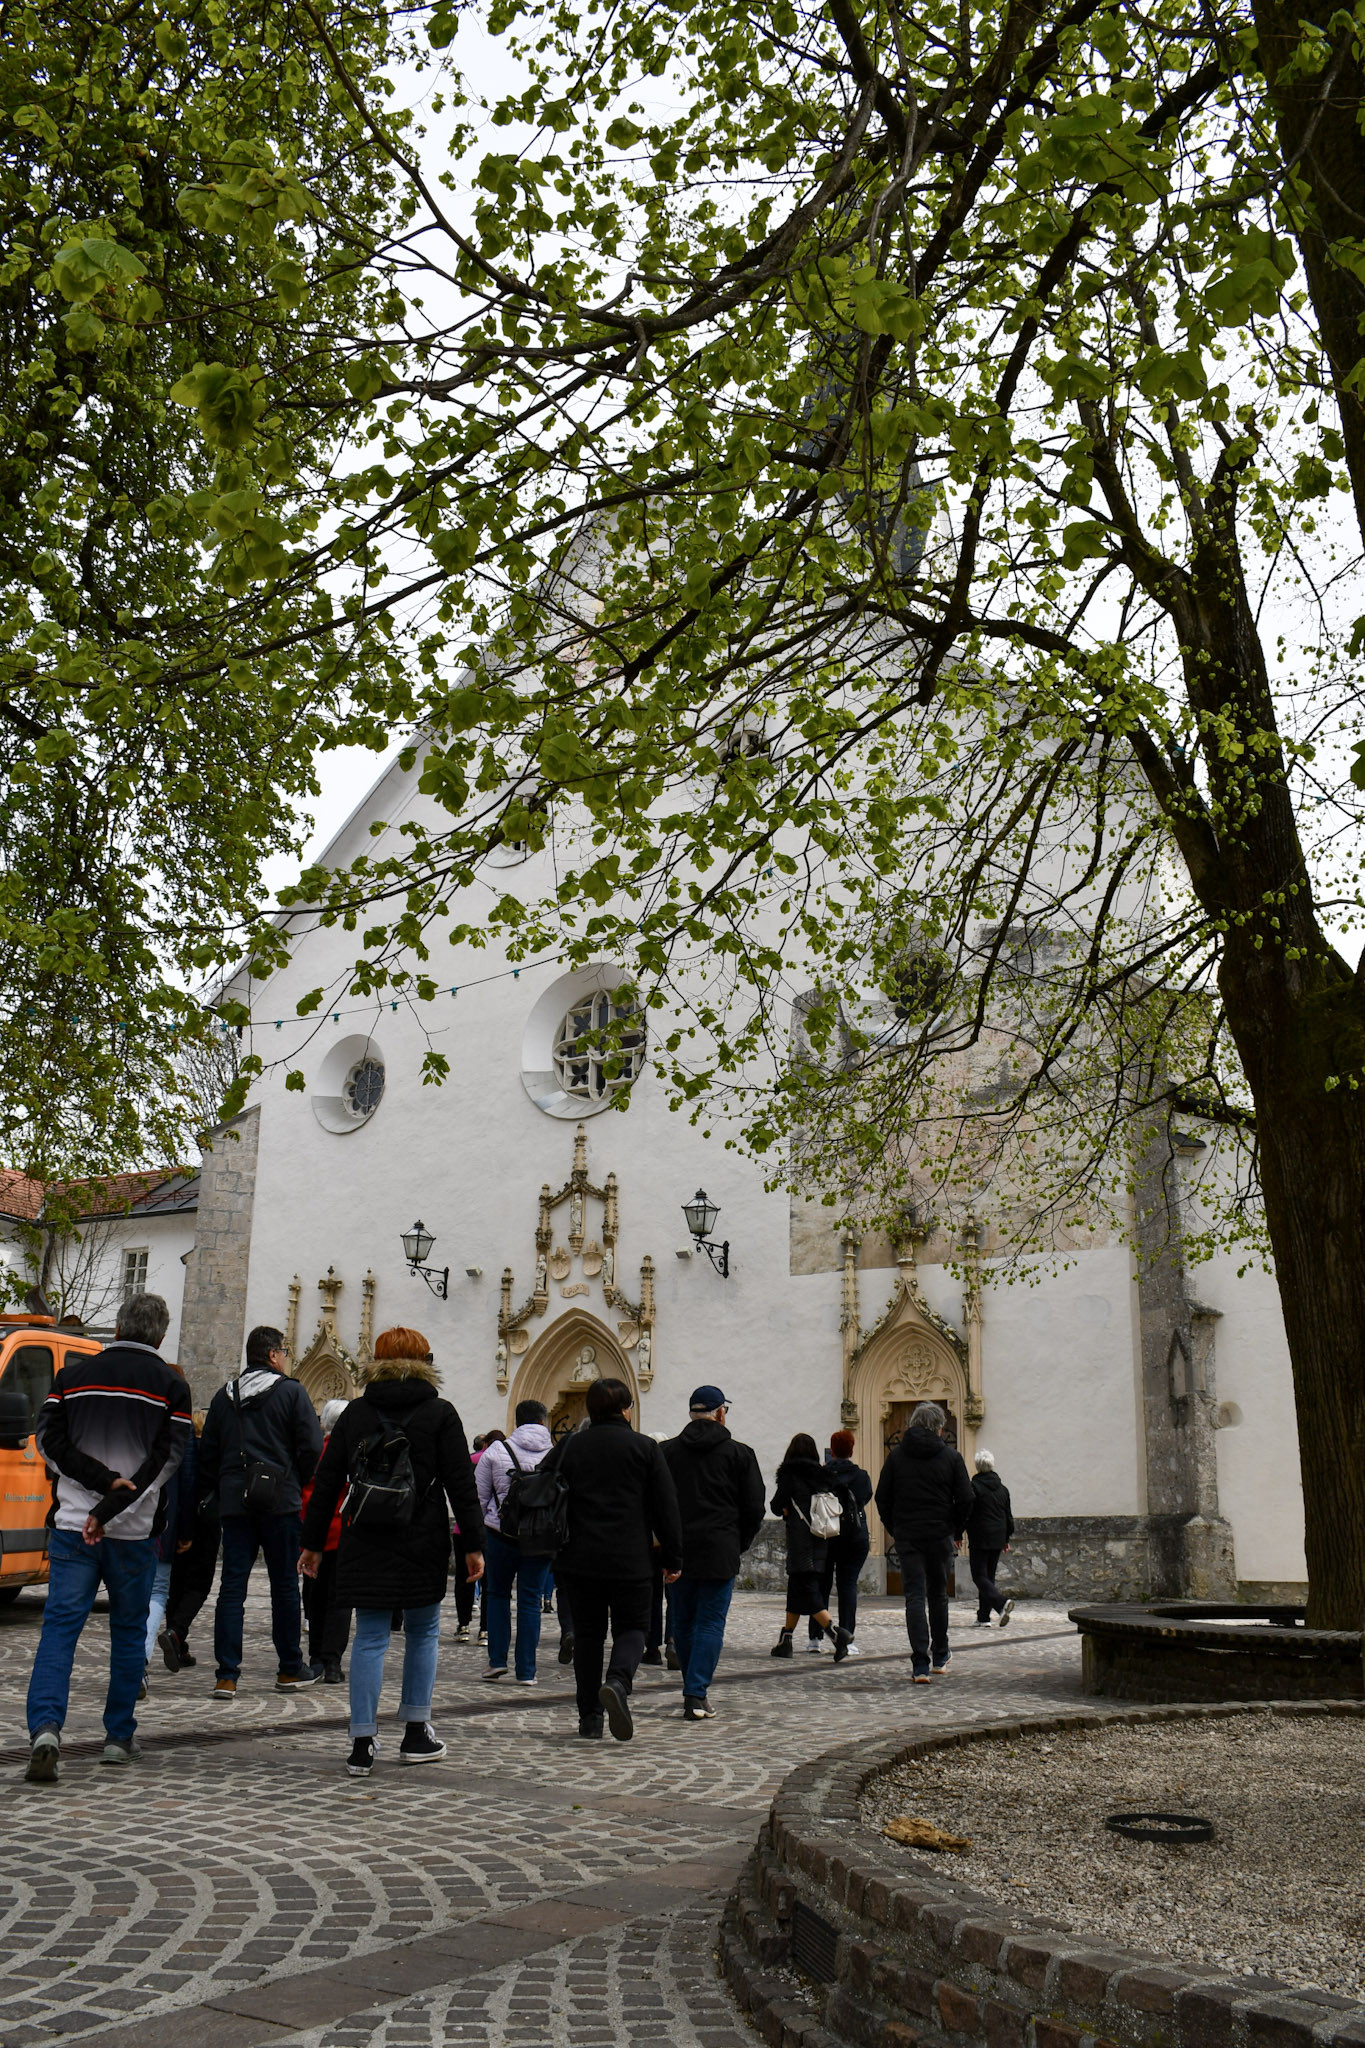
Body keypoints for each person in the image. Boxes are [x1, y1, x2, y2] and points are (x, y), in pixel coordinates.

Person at [301, 1326, 484, 1775]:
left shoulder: (357, 1413)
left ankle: (362, 1740)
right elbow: (462, 1482)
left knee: (369, 1636)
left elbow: (327, 1481)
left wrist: (312, 1544)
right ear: (424, 1361)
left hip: (364, 1533)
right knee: (421, 1633)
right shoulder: (440, 1412)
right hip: (421, 1532)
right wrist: (474, 1546)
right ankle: (415, 1732)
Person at [23, 1293, 192, 1781]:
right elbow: (165, 1463)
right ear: (160, 1335)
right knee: (126, 1631)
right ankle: (118, 1738)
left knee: (59, 1629)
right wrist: (113, 1504)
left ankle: (46, 1730)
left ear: (116, 1328)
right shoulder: (169, 1385)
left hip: (75, 1525)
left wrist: (96, 1492)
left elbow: (48, 1444)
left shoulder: (73, 1377)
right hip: (134, 1532)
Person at [549, 1376, 682, 1741]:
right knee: (633, 1628)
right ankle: (619, 1683)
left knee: (589, 1637)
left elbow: (546, 1487)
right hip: (631, 1558)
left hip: (579, 1559)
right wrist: (673, 1556)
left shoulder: (571, 1447)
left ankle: (589, 1718)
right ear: (625, 1409)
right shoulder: (644, 1448)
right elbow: (665, 1508)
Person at [198, 1325, 323, 1699]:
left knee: (232, 1586)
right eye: (283, 1351)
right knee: (284, 1584)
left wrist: (224, 1485)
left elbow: (208, 1451)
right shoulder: (291, 1392)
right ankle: (288, 1668)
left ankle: (226, 1674)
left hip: (236, 1501)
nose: (284, 1357)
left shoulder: (224, 1396)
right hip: (279, 1499)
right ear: (272, 1355)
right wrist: (294, 1478)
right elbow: (312, 1445)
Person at [660, 1385, 765, 1722]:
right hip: (721, 1546)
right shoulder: (740, 1454)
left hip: (678, 1548)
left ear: (692, 1413)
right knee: (710, 1622)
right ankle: (696, 1691)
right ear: (721, 1413)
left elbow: (655, 1502)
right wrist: (739, 1542)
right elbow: (754, 1507)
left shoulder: (667, 1452)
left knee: (684, 1621)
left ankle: (693, 1689)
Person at [874, 1400, 973, 1683]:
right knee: (938, 1595)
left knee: (914, 1597)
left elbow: (883, 1497)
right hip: (940, 1535)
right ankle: (940, 1654)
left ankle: (920, 1664)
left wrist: (895, 1527)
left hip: (908, 1535)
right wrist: (956, 1530)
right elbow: (966, 1498)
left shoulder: (896, 1456)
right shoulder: (951, 1458)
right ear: (940, 1428)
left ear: (913, 1425)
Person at [476, 1397, 555, 1683]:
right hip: (540, 1537)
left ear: (516, 1421)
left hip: (501, 1534)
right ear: (543, 1421)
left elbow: (480, 1498)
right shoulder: (555, 1453)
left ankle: (497, 1660)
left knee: (497, 1594)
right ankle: (527, 1670)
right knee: (531, 1599)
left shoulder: (497, 1451)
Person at [769, 1433, 854, 1662]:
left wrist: (787, 1508)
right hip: (820, 1537)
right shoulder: (823, 1476)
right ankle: (785, 1640)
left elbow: (776, 1505)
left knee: (805, 1588)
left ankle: (836, 1633)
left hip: (800, 1540)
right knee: (798, 1588)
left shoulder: (790, 1475)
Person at [159, 1409, 218, 1671]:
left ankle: (178, 1643)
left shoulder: (179, 1446)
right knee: (199, 1585)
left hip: (178, 1521)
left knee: (177, 1585)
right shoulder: (206, 1449)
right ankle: (176, 1632)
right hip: (203, 1522)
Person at [806, 1429, 873, 1654]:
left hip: (826, 1535)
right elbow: (865, 1497)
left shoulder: (822, 1475)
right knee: (847, 1585)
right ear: (851, 1450)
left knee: (822, 1584)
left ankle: (815, 1637)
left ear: (832, 1450)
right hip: (854, 1536)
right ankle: (847, 1636)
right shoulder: (861, 1476)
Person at [300, 1398, 352, 1680]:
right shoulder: (352, 1453)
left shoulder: (315, 1452)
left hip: (315, 1534)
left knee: (314, 1597)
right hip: (343, 1534)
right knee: (339, 1600)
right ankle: (332, 1661)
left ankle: (317, 1656)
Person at [966, 1448, 1015, 1626]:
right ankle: (983, 1617)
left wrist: (959, 1531)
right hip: (998, 1537)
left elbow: (968, 1512)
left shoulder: (973, 1487)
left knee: (979, 1576)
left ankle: (1001, 1603)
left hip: (980, 1536)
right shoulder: (1003, 1489)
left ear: (977, 1466)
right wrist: (1006, 1539)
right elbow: (1008, 1516)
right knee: (988, 1577)